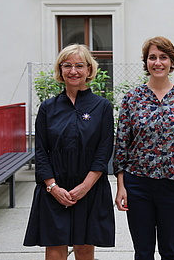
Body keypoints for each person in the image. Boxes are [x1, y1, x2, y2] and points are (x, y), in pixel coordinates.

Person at [114, 36, 174, 260]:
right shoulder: (132, 99)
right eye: (152, 57)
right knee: (143, 252)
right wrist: (120, 186)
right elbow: (121, 144)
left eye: (163, 57)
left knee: (170, 252)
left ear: (171, 61)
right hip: (138, 184)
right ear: (146, 63)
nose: (158, 62)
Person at [24, 44, 115, 259]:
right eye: (67, 66)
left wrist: (85, 186)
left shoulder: (102, 107)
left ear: (89, 70)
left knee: (84, 250)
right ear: (60, 70)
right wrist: (53, 187)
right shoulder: (48, 108)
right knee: (55, 251)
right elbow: (41, 151)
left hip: (89, 189)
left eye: (79, 65)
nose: (73, 71)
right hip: (54, 190)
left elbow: (104, 151)